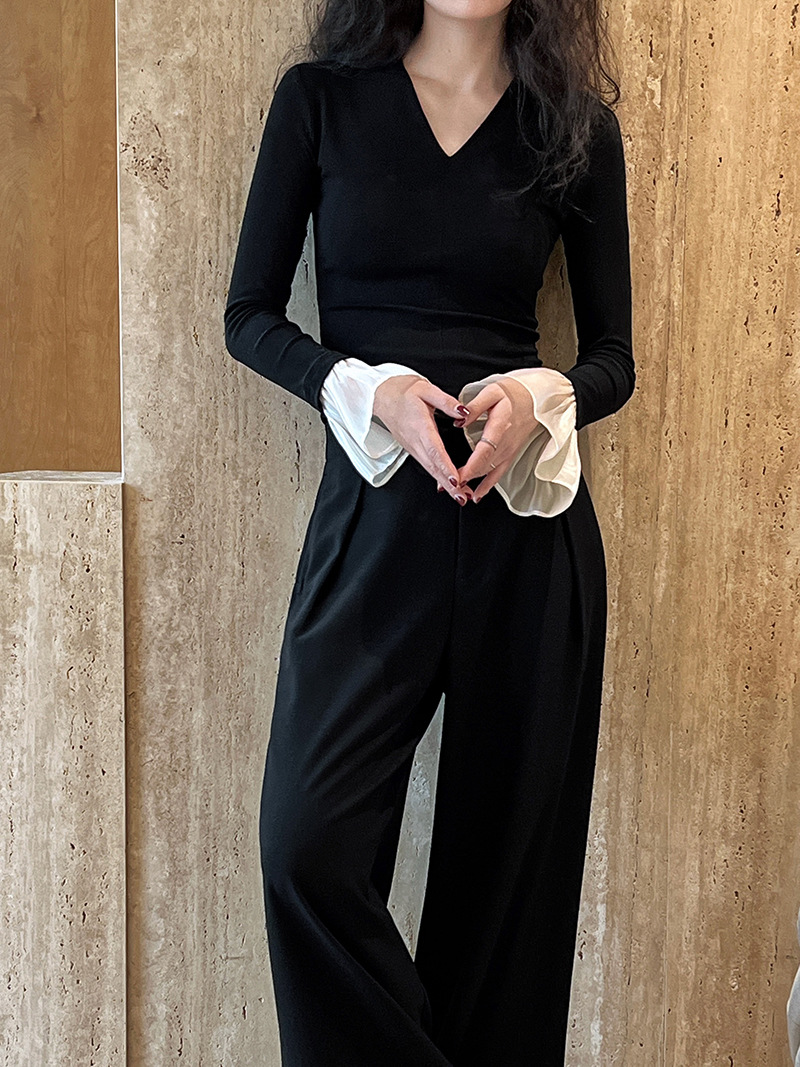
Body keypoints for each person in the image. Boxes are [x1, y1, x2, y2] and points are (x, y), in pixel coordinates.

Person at [224, 0, 635, 1062]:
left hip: (527, 535)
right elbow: (249, 316)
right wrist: (367, 388)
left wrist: (539, 395)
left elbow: (613, 358)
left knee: (504, 911)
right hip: (370, 528)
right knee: (305, 848)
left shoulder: (571, 126)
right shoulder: (320, 101)